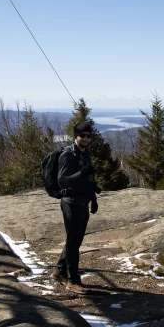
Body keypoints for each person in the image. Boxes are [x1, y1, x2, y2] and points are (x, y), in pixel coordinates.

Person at [52, 121, 101, 293]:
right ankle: (72, 280)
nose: (86, 139)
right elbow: (62, 180)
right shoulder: (67, 155)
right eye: (83, 136)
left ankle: (59, 270)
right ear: (76, 136)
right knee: (73, 241)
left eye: (89, 136)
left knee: (76, 240)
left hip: (83, 201)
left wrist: (93, 198)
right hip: (70, 202)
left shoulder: (85, 154)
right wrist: (82, 173)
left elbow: (87, 179)